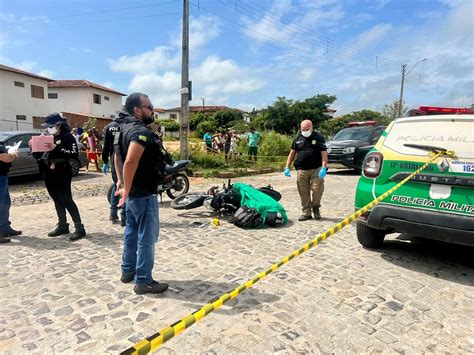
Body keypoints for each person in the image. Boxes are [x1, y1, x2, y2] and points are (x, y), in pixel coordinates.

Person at [114, 92, 173, 295]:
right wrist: (126, 187)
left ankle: (127, 271)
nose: (153, 110)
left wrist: (122, 183)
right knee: (146, 238)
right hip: (143, 194)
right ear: (137, 110)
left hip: (132, 195)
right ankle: (144, 281)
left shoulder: (122, 129)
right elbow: (130, 160)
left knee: (131, 233)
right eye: (149, 107)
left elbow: (116, 157)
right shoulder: (140, 131)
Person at [31, 113, 86, 240]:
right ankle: (62, 224)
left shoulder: (67, 137)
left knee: (66, 198)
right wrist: (34, 148)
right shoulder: (47, 137)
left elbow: (73, 154)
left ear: (59, 125)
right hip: (48, 171)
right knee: (56, 198)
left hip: (62, 170)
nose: (49, 128)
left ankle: (79, 227)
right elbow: (39, 156)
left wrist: (57, 148)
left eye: (51, 126)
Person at [284, 119, 328, 221]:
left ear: (311, 128)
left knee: (317, 189)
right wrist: (287, 166)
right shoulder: (297, 138)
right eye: (303, 129)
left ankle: (316, 207)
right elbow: (292, 153)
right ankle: (306, 213)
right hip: (302, 170)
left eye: (307, 129)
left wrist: (324, 167)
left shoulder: (319, 137)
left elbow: (324, 153)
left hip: (316, 169)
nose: (305, 131)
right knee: (303, 192)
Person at [102, 112, 132, 226]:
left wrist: (105, 161)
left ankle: (113, 213)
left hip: (114, 159)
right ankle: (125, 217)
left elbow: (105, 146)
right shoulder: (127, 126)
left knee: (117, 185)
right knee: (126, 187)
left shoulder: (110, 126)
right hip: (126, 159)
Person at [0, 141, 21, 244]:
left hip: (2, 175)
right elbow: (5, 157)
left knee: (5, 203)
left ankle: (5, 227)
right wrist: (14, 153)